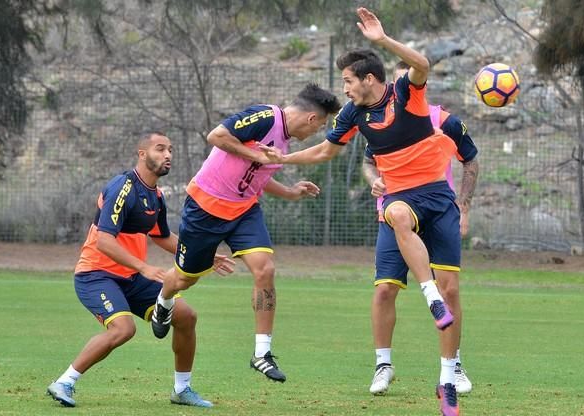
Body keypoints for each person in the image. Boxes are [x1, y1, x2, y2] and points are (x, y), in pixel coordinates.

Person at [261, 8, 465, 415]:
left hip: (439, 197)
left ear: (369, 79)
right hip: (399, 196)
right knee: (399, 218)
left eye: (348, 82)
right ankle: (427, 302)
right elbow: (325, 150)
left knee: (453, 290)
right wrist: (281, 159)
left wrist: (383, 41)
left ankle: (447, 379)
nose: (345, 90)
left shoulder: (406, 91)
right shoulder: (353, 114)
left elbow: (422, 63)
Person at [150, 83, 342, 383]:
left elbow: (257, 178)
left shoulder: (285, 143)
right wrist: (254, 155)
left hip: (243, 211)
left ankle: (261, 353)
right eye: (321, 127)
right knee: (185, 279)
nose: (317, 133)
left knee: (265, 269)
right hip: (206, 208)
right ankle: (163, 301)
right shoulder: (265, 117)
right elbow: (217, 136)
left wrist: (290, 192)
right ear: (311, 119)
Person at [46, 132, 235, 409]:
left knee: (186, 316)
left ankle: (182, 390)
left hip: (131, 277)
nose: (168, 154)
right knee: (123, 329)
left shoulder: (155, 196)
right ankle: (64, 382)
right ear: (142, 154)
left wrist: (204, 254)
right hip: (96, 274)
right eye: (160, 149)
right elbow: (104, 240)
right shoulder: (123, 187)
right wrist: (143, 267)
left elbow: (161, 236)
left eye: (171, 150)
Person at [362, 85, 479, 396]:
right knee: (385, 289)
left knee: (450, 290)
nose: (398, 92)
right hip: (396, 212)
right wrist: (374, 181)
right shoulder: (380, 121)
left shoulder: (445, 121)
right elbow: (368, 161)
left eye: (407, 83)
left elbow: (470, 160)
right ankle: (383, 365)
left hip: (439, 210)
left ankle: (452, 365)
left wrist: (463, 206)